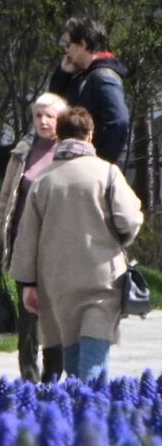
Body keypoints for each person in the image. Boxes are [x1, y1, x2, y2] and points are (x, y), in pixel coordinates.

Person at [11, 106, 143, 381]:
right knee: (93, 363)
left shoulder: (42, 180)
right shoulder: (107, 173)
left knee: (71, 361)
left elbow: (27, 237)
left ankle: (78, 412)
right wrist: (120, 239)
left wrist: (27, 284)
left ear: (58, 138)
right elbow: (129, 219)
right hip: (101, 280)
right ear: (90, 136)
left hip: (56, 284)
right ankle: (92, 415)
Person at [0, 92, 68, 382]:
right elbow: (5, 198)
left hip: (59, 247)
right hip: (25, 244)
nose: (44, 121)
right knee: (28, 316)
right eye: (38, 115)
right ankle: (29, 380)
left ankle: (52, 377)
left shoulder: (71, 151)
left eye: (50, 116)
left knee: (55, 318)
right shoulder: (23, 151)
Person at [48, 17, 129, 164]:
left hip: (89, 168)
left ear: (83, 44)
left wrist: (100, 163)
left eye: (69, 44)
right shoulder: (82, 75)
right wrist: (63, 74)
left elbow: (119, 123)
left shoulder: (103, 75)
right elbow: (53, 105)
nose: (66, 50)